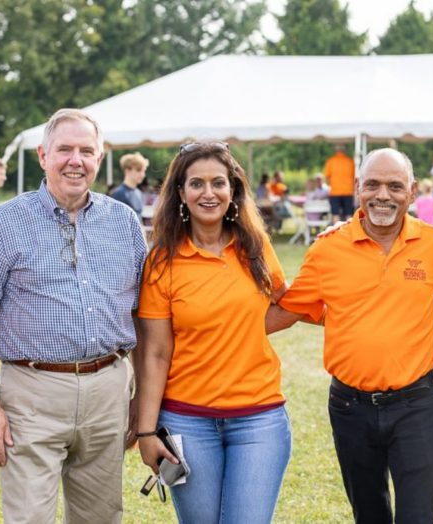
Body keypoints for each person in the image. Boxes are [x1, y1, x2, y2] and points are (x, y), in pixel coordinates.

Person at [0, 108, 147, 523]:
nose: (75, 160)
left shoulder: (125, 223)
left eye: (86, 151)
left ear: (100, 158)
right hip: (32, 391)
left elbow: (144, 316)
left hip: (110, 387)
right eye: (64, 150)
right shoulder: (2, 223)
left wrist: (142, 400)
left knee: (101, 516)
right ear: (43, 155)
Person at [268, 148, 433, 524]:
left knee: (419, 516)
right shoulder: (327, 248)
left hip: (415, 403)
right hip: (350, 406)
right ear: (357, 188)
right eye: (372, 184)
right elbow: (287, 312)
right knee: (368, 514)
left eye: (394, 186)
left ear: (412, 190)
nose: (382, 195)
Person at [136, 142, 292, 524]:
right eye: (197, 184)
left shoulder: (256, 248)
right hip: (187, 421)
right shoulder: (160, 261)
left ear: (233, 190)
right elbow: (155, 352)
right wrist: (145, 431)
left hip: (259, 420)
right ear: (181, 193)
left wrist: (240, 328)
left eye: (219, 183)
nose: (209, 193)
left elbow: (286, 306)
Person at [110, 151, 149, 221]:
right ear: (127, 171)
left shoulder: (139, 193)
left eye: (144, 171)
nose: (142, 175)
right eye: (138, 170)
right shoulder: (119, 194)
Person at [324, 144, 356, 222]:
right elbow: (354, 176)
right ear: (345, 151)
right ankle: (349, 233)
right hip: (348, 192)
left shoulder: (330, 161)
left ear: (335, 150)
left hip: (335, 192)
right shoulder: (350, 161)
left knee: (335, 214)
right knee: (348, 214)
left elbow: (327, 177)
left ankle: (337, 232)